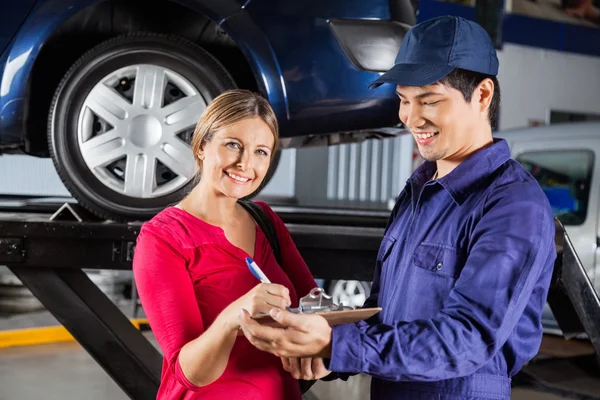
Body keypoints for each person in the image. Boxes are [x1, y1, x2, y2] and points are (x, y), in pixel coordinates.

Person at [237, 15, 557, 400]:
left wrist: (341, 345)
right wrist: (327, 348)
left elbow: (469, 338)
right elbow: (383, 314)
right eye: (404, 100)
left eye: (429, 100)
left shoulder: (512, 204)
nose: (411, 117)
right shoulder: (417, 191)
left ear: (483, 95)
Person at [132, 89, 318, 400]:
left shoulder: (265, 221)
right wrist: (235, 316)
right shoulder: (164, 238)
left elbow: (312, 309)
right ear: (203, 145)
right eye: (233, 145)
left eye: (261, 151)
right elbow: (190, 373)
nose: (245, 163)